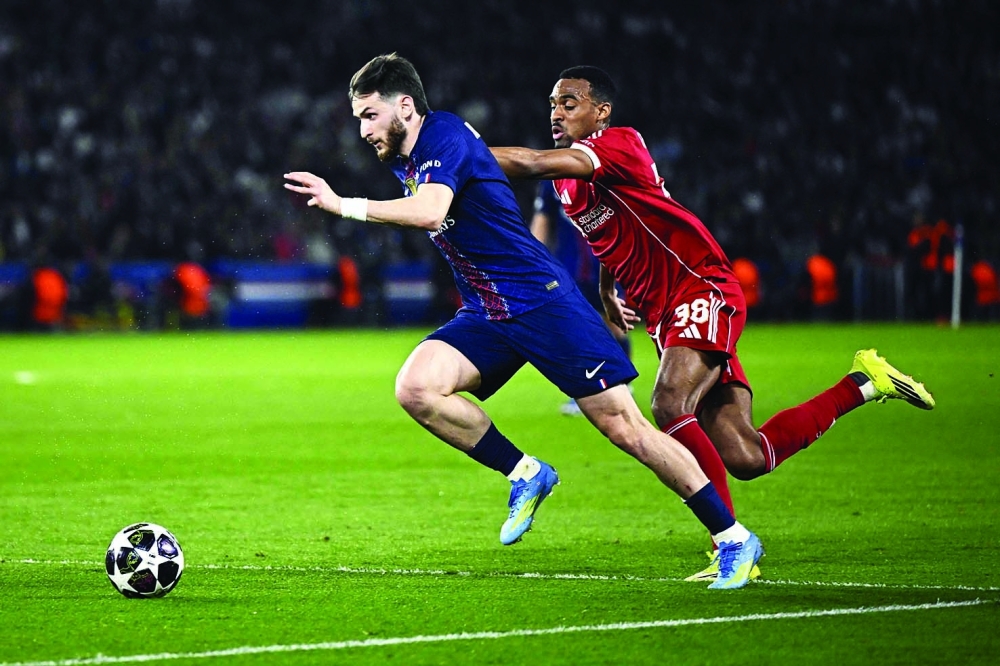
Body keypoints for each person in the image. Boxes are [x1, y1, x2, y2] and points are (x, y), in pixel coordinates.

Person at [284, 53, 763, 588]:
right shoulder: (407, 155)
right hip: (488, 310)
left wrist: (341, 204)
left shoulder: (442, 136)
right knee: (417, 388)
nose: (363, 129)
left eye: (369, 115)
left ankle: (733, 538)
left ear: (405, 106)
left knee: (624, 428)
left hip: (541, 301)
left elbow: (429, 213)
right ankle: (527, 473)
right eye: (357, 119)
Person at [491, 65, 936, 581]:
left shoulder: (619, 143)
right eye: (552, 104)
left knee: (667, 403)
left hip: (700, 288)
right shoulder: (570, 186)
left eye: (569, 102)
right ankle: (864, 383)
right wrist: (608, 290)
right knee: (749, 456)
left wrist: (462, 157)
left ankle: (730, 543)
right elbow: (614, 233)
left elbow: (529, 161)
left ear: (601, 112)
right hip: (666, 315)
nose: (556, 112)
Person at [530, 182, 632, 416]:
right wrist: (533, 256)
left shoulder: (602, 172)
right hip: (569, 267)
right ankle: (585, 393)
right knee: (575, 328)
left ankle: (624, 385)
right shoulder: (551, 179)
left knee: (615, 327)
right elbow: (543, 217)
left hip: (606, 266)